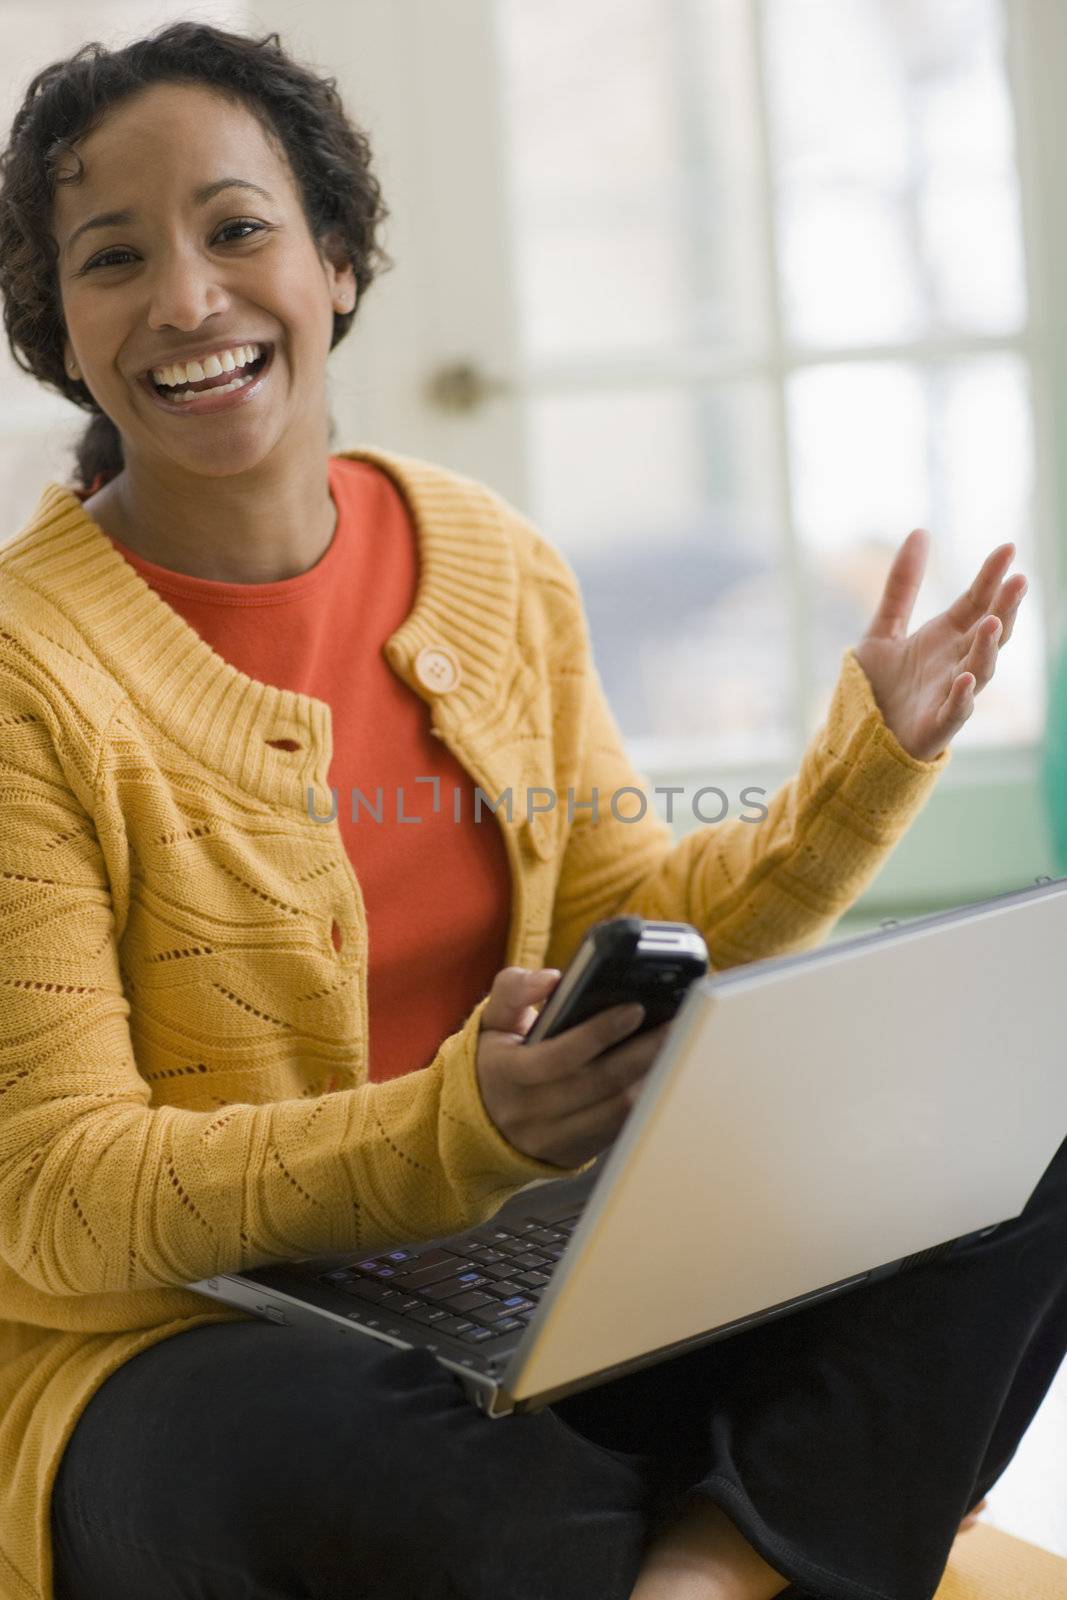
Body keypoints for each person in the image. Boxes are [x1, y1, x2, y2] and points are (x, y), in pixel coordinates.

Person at [0, 20, 1058, 1600]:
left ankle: (699, 1568)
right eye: (113, 259)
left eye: (237, 229)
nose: (188, 300)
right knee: (402, 1474)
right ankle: (773, 1518)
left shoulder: (483, 558)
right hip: (178, 1352)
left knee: (1009, 1144)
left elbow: (640, 931)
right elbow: (61, 1201)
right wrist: (465, 1129)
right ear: (59, 330)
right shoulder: (29, 672)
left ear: (339, 261)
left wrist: (864, 770)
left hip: (517, 1278)